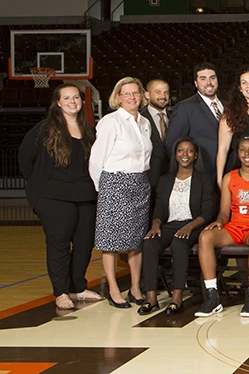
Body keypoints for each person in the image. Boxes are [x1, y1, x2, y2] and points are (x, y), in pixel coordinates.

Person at [18, 84, 102, 309]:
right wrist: (40, 185)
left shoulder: (90, 130)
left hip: (84, 194)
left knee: (84, 244)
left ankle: (77, 287)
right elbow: (25, 158)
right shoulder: (45, 129)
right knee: (59, 244)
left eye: (76, 97)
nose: (73, 101)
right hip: (53, 196)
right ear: (58, 102)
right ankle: (61, 291)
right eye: (67, 98)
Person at [194, 135, 249, 317]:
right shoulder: (228, 178)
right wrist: (219, 221)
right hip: (236, 226)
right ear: (237, 153)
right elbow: (225, 212)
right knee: (205, 237)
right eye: (242, 149)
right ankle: (212, 295)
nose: (247, 153)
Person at [89, 77, 153, 308]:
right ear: (118, 97)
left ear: (142, 95)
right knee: (112, 242)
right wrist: (104, 189)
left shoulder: (144, 122)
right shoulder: (111, 121)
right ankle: (114, 290)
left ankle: (135, 288)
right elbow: (96, 160)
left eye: (135, 93)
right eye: (126, 94)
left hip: (140, 182)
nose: (131, 97)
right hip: (115, 183)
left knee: (136, 241)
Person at [140, 137, 216, 315]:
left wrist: (189, 227)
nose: (185, 154)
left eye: (190, 151)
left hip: (194, 225)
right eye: (180, 150)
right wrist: (155, 225)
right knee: (149, 243)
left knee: (178, 244)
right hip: (169, 225)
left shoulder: (203, 179)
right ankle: (151, 298)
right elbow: (159, 208)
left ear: (196, 155)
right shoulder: (166, 180)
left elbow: (207, 212)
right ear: (175, 155)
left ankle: (177, 296)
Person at [165, 62, 222, 175]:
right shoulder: (185, 108)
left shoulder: (227, 106)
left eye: (212, 78)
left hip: (228, 172)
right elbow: (172, 144)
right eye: (203, 79)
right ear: (196, 83)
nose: (209, 83)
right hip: (200, 174)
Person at [139, 78, 170, 191]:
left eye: (166, 92)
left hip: (171, 180)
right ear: (147, 94)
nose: (163, 96)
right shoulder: (139, 119)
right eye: (158, 92)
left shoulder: (176, 116)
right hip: (148, 181)